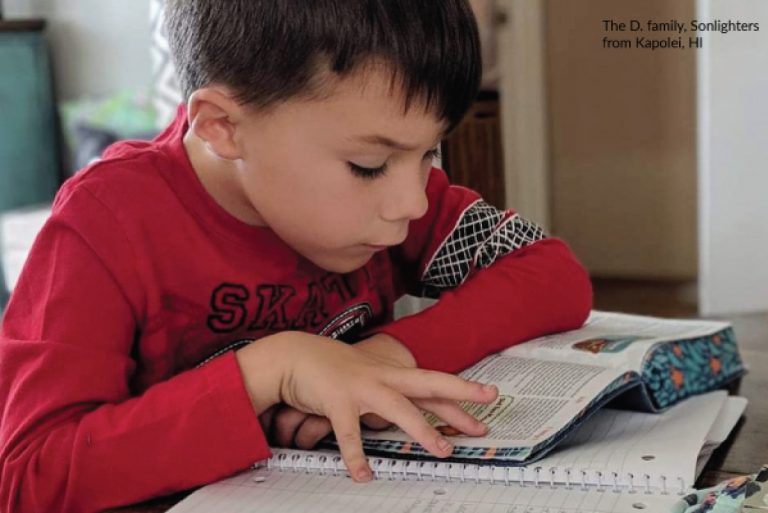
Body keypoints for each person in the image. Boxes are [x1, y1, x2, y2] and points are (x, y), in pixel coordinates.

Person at [0, 1, 592, 512]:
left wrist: (389, 353)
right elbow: (27, 477)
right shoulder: (107, 224)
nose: (411, 202)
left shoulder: (387, 188)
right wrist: (268, 370)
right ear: (224, 127)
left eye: (429, 153)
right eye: (368, 166)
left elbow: (552, 274)